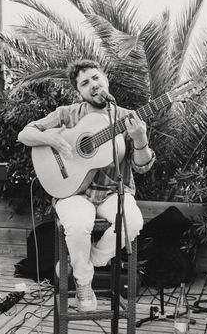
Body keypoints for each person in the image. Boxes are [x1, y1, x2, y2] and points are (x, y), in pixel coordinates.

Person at [17, 59, 155, 311]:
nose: (93, 85)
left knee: (133, 222)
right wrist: (51, 139)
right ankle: (83, 284)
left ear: (106, 80)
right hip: (73, 191)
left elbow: (142, 166)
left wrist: (141, 140)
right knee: (79, 224)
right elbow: (24, 134)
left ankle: (86, 260)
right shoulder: (67, 114)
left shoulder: (127, 119)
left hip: (114, 191)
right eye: (85, 83)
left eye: (95, 78)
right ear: (78, 91)